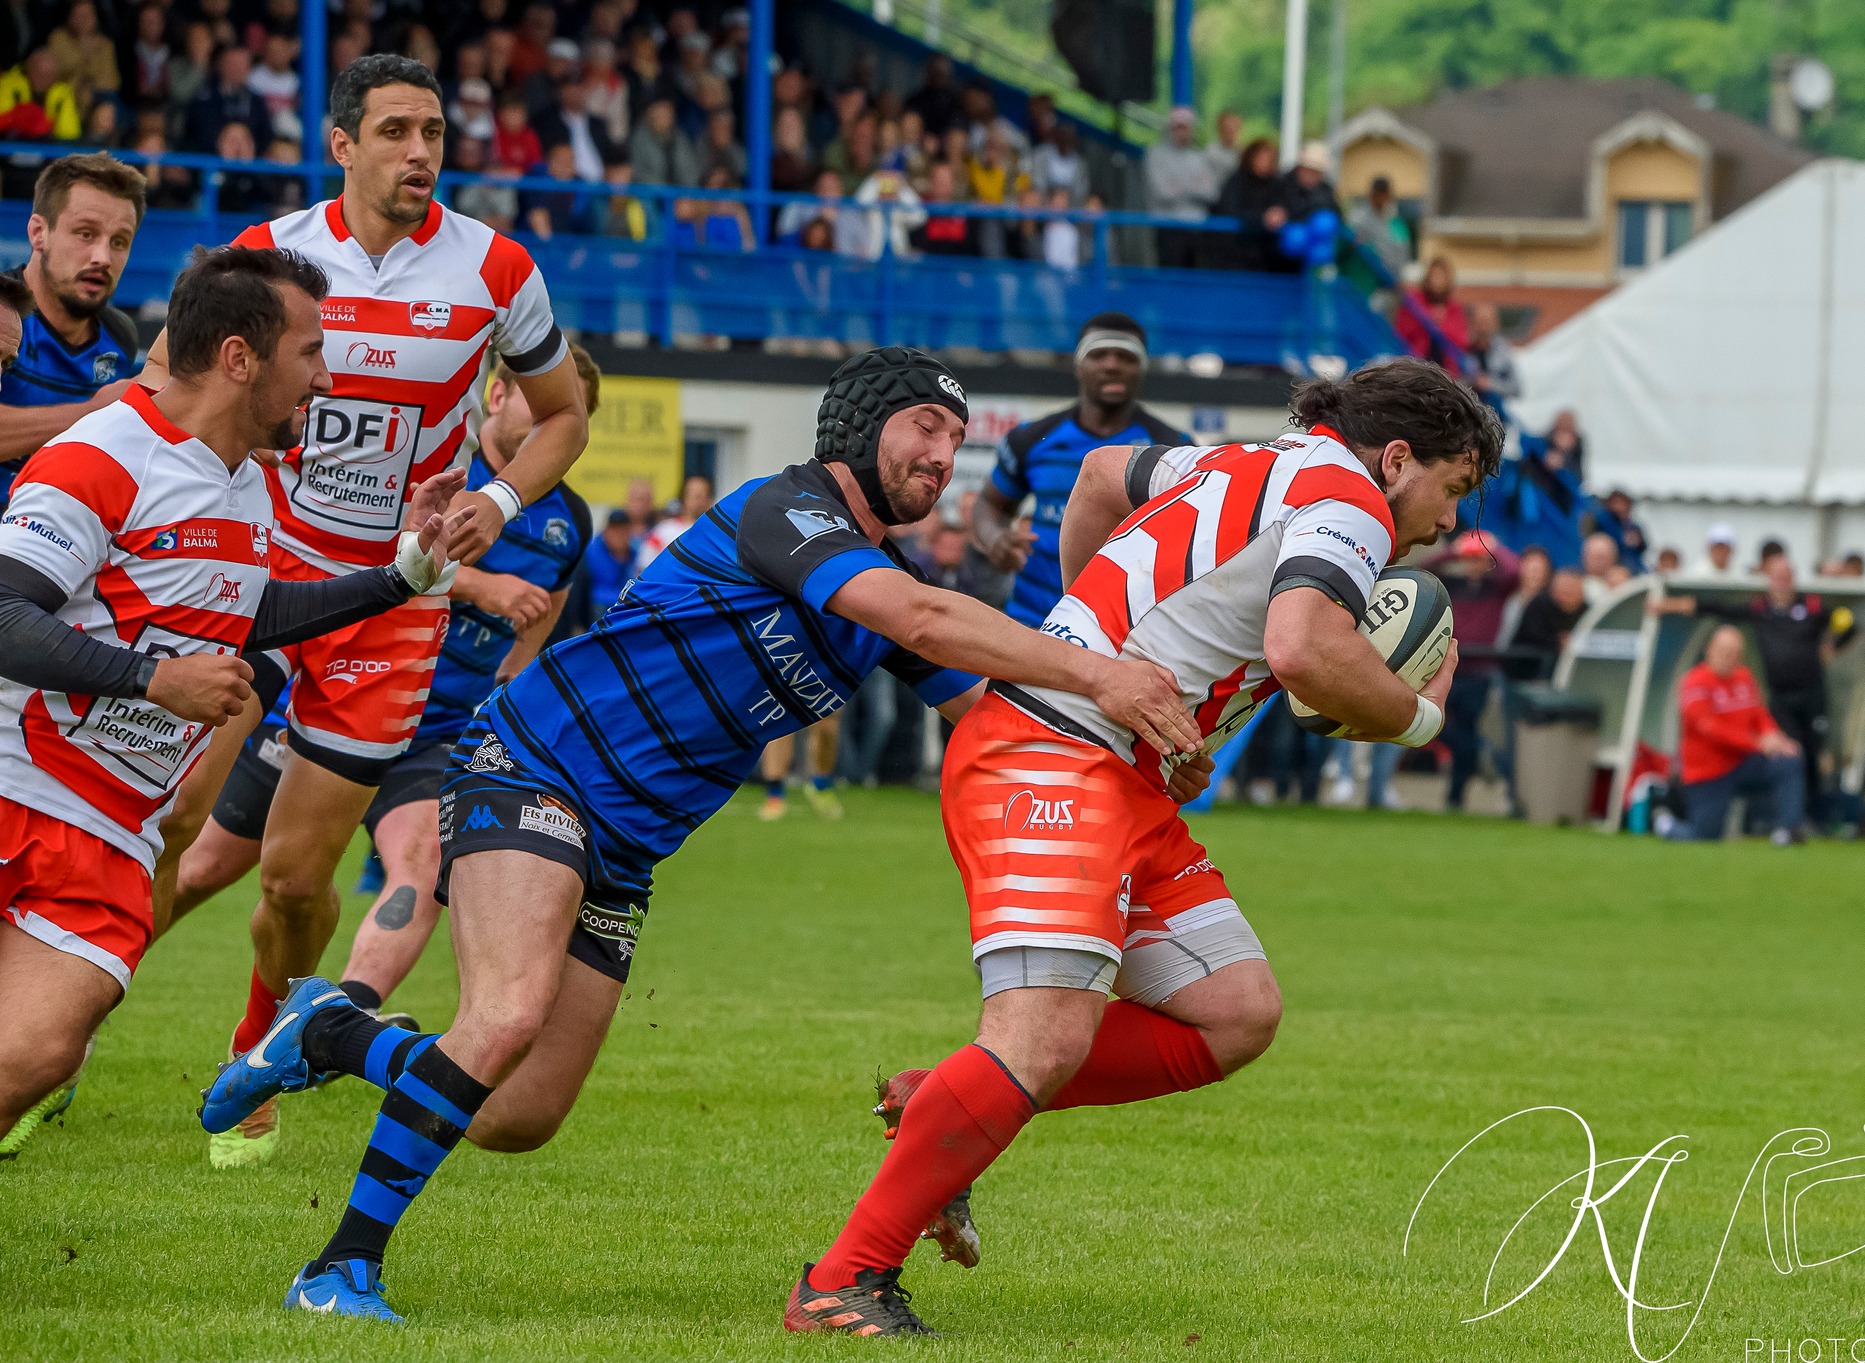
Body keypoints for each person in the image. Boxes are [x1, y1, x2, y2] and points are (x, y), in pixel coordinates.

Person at [195, 346, 1201, 1321]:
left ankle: (329, 1027)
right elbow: (927, 618)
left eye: (955, 436)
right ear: (859, 427)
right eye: (924, 426)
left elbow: (993, 706)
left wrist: (1157, 727)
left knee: (516, 1113)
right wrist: (1103, 674)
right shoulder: (786, 509)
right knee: (501, 1017)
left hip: (626, 848)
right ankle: (337, 1270)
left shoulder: (877, 595)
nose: (942, 453)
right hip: (538, 764)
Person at [788, 357, 1500, 1336]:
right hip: (1051, 759)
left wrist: (1109, 658)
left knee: (1233, 1012)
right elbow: (1302, 652)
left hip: (1119, 771)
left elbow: (1096, 477)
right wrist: (1418, 718)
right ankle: (839, 1282)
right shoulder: (1349, 497)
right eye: (1451, 489)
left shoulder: (1242, 459)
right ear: (1394, 457)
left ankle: (948, 1103)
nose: (1448, 520)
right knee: (1042, 1040)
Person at [144, 54, 589, 1171]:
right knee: (173, 830)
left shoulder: (494, 267)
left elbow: (562, 416)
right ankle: (56, 1015)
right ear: (340, 144)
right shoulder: (265, 259)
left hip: (393, 603)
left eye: (433, 131)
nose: (420, 153)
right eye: (394, 131)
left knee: (294, 881)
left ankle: (261, 1033)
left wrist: (495, 496)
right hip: (250, 580)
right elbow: (167, 387)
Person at [0, 246, 470, 1155]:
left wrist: (403, 574)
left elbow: (248, 609)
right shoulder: (100, 455)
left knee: (40, 1049)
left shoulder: (250, 483)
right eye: (310, 353)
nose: (326, 379)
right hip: (14, 783)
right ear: (239, 359)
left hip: (109, 830)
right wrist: (153, 678)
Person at [165, 350, 601, 1035]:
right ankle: (88, 995)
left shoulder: (570, 520)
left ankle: (332, 1024)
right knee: (203, 869)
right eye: (540, 407)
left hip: (435, 730)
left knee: (423, 862)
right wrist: (484, 586)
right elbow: (365, 563)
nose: (558, 431)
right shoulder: (441, 465)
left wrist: (512, 680)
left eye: (573, 419)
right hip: (335, 702)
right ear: (496, 394)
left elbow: (544, 611)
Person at [971, 313, 1187, 627]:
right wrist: (995, 540)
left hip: (1124, 631)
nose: (1112, 365)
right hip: (1032, 622)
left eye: (1126, 356)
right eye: (1098, 354)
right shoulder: (1031, 439)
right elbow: (989, 504)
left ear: (1142, 367)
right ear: (1077, 365)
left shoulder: (1174, 448)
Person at [0, 154, 147, 508]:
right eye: (86, 234)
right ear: (38, 233)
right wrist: (94, 412)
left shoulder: (119, 337)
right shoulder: (4, 315)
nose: (103, 257)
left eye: (119, 241)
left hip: (61, 537)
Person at [1657, 626, 1805, 844]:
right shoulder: (1694, 683)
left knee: (1788, 760)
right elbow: (1711, 730)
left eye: (1734, 653)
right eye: (1723, 651)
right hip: (1708, 772)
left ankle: (1788, 831)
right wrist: (1759, 744)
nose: (1728, 658)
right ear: (1709, 650)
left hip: (1741, 764)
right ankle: (1667, 826)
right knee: (1705, 836)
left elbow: (1758, 714)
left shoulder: (1744, 677)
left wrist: (1774, 737)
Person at [1423, 531, 1521, 810]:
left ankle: (1455, 796)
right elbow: (1425, 569)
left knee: (1464, 728)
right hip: (1447, 666)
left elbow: (1515, 570)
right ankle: (1481, 751)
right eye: (1471, 559)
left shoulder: (1497, 586)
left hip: (1480, 671)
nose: (1474, 563)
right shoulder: (1453, 583)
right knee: (1437, 724)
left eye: (1479, 559)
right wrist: (1457, 550)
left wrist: (1493, 546)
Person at [1145, 106, 1216, 270]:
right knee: (1170, 281)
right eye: (1178, 128)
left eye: (1186, 128)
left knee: (1194, 283)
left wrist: (1178, 184)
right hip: (1168, 229)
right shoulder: (1155, 155)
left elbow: (1212, 193)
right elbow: (1163, 192)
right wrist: (1195, 185)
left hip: (1196, 230)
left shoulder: (1200, 157)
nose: (1182, 133)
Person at [1215, 138, 1287, 272]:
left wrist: (1279, 215)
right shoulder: (1236, 181)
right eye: (1261, 158)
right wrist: (1261, 219)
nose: (1264, 163)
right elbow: (1228, 210)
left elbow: (1284, 209)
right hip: (1235, 256)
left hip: (1267, 259)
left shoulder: (1278, 184)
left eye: (1268, 159)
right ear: (1251, 157)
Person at [1396, 256, 1470, 372]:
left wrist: (1442, 323)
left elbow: (1460, 341)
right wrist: (1427, 319)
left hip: (1445, 370)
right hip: (1415, 366)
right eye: (1434, 276)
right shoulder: (1414, 302)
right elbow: (1402, 331)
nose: (1436, 281)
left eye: (1441, 276)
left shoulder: (1454, 308)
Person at [634, 473, 713, 571]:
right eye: (694, 495)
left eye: (702, 495)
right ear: (684, 497)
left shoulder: (714, 535)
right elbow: (643, 566)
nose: (698, 501)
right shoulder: (664, 530)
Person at [1465, 302, 1519, 412]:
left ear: (1495, 325)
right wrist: (1472, 383)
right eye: (1479, 323)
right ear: (1472, 324)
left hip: (1496, 413)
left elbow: (1516, 388)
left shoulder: (1503, 352)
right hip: (1469, 412)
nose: (1483, 328)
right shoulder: (1463, 350)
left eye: (1487, 323)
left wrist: (1490, 384)